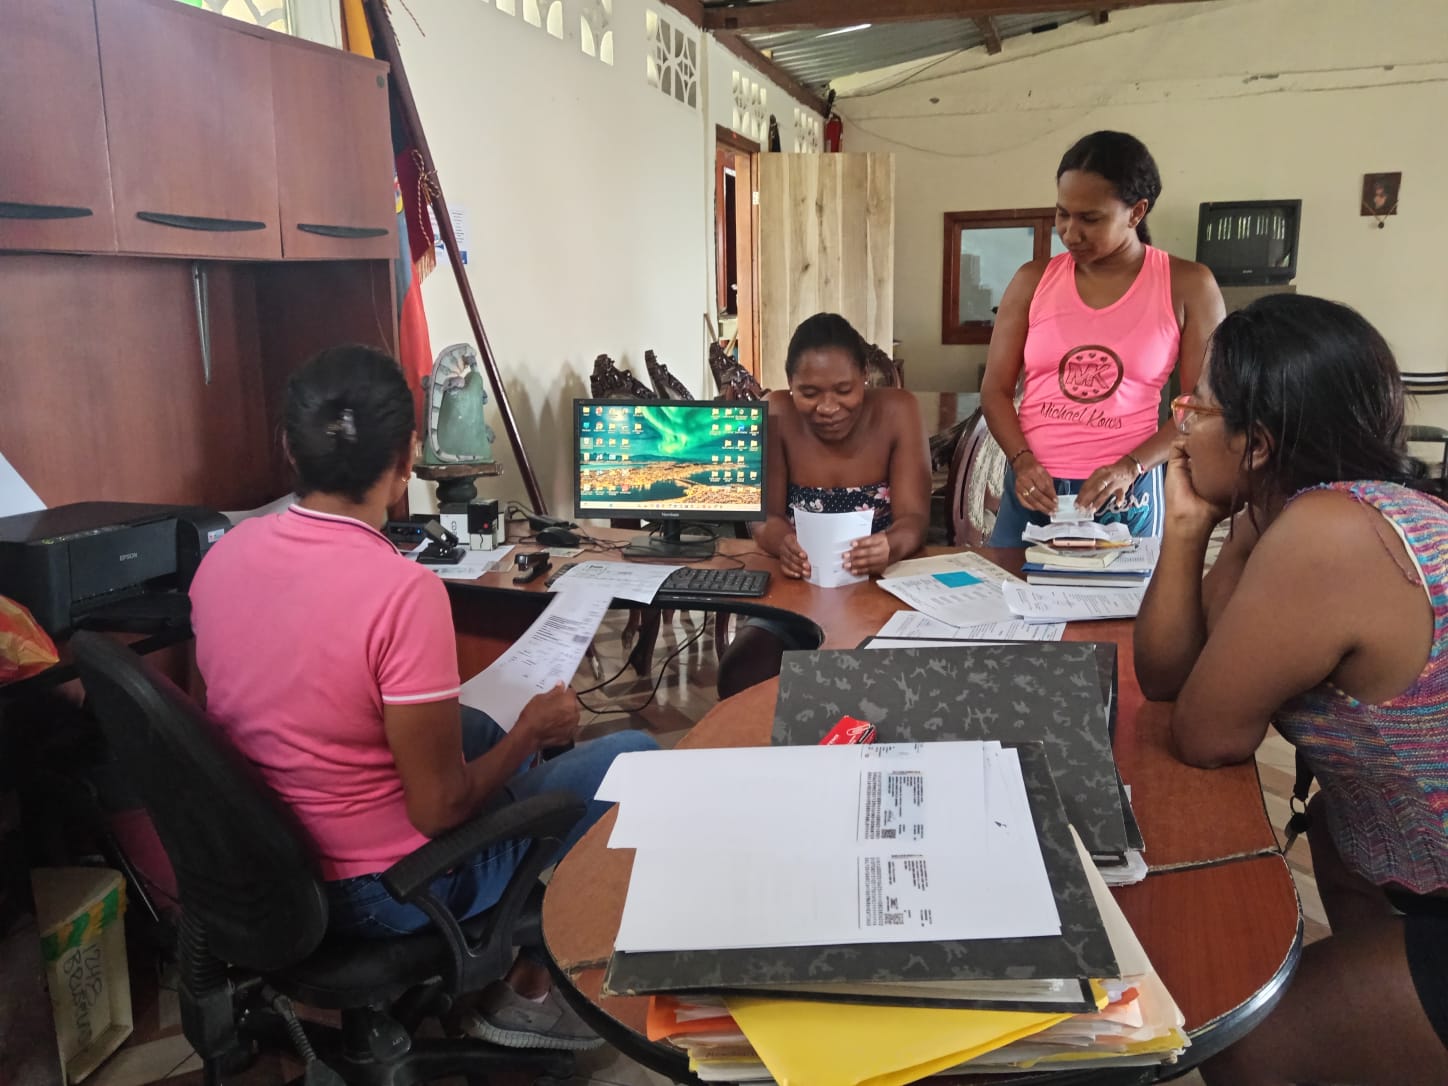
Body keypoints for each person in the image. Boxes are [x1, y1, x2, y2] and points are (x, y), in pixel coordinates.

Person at [189, 345, 656, 1051]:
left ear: (289, 448)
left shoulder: (224, 555)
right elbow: (437, 810)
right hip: (384, 892)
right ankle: (527, 991)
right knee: (635, 756)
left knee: (474, 727)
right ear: (408, 458)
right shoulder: (403, 593)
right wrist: (530, 734)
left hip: (268, 873)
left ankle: (507, 921)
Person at [1133, 295, 1448, 1086]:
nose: (1180, 426)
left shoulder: (1330, 534)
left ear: (1259, 444)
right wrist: (1187, 529)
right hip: (1407, 867)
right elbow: (1169, 680)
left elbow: (1206, 736)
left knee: (1239, 1039)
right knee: (1335, 848)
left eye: (1198, 407)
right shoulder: (1297, 513)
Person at [981, 130, 1225, 546]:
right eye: (1062, 214)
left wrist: (1131, 466)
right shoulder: (1032, 280)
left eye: (1090, 219)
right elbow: (995, 390)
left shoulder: (1188, 285)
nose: (1070, 232)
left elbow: (1200, 406)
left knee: (1118, 591)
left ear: (1136, 212)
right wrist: (1022, 461)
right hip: (1032, 488)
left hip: (1125, 493)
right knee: (1011, 586)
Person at [716, 313, 930, 698]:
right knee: (741, 674)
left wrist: (890, 545)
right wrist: (782, 542)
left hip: (878, 592)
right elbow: (766, 518)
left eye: (844, 390)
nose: (828, 408)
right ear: (790, 385)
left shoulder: (899, 411)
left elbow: (914, 519)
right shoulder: (777, 412)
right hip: (798, 594)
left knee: (886, 684)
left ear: (864, 377)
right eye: (809, 393)